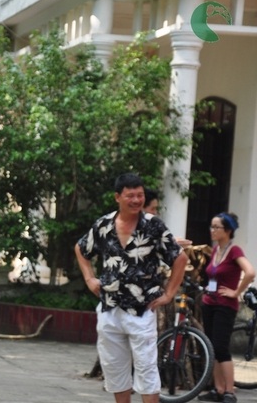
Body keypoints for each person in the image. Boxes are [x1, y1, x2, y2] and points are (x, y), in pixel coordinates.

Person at [75, 173, 188, 403]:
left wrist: (169, 294)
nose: (136, 200)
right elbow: (81, 249)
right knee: (114, 367)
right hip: (110, 308)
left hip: (142, 309)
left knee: (146, 367)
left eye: (140, 195)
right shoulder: (104, 225)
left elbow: (180, 259)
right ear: (118, 197)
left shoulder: (153, 225)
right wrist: (89, 279)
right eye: (131, 195)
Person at [197, 213, 255, 403]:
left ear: (228, 231)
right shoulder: (216, 250)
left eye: (217, 227)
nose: (212, 231)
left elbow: (250, 272)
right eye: (211, 227)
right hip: (210, 303)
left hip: (225, 305)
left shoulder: (234, 250)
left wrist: (235, 291)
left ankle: (229, 391)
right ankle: (218, 389)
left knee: (221, 348)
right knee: (212, 347)